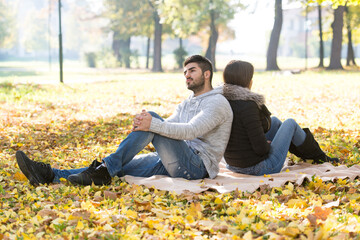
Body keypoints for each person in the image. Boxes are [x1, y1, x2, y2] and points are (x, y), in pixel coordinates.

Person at [16, 55, 233, 186]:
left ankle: (102, 171)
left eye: (192, 71)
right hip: (170, 160)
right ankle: (51, 175)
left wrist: (151, 124)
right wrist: (145, 126)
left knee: (154, 120)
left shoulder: (217, 103)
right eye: (185, 72)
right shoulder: (187, 102)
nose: (186, 75)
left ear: (207, 74)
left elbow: (190, 131)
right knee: (118, 167)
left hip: (195, 167)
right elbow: (170, 125)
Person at [222, 60, 338, 176]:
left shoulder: (222, 101)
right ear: (248, 81)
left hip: (233, 165)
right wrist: (267, 144)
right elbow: (261, 148)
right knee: (290, 124)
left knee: (276, 122)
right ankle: (320, 158)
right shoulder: (248, 105)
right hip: (258, 168)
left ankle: (310, 156)